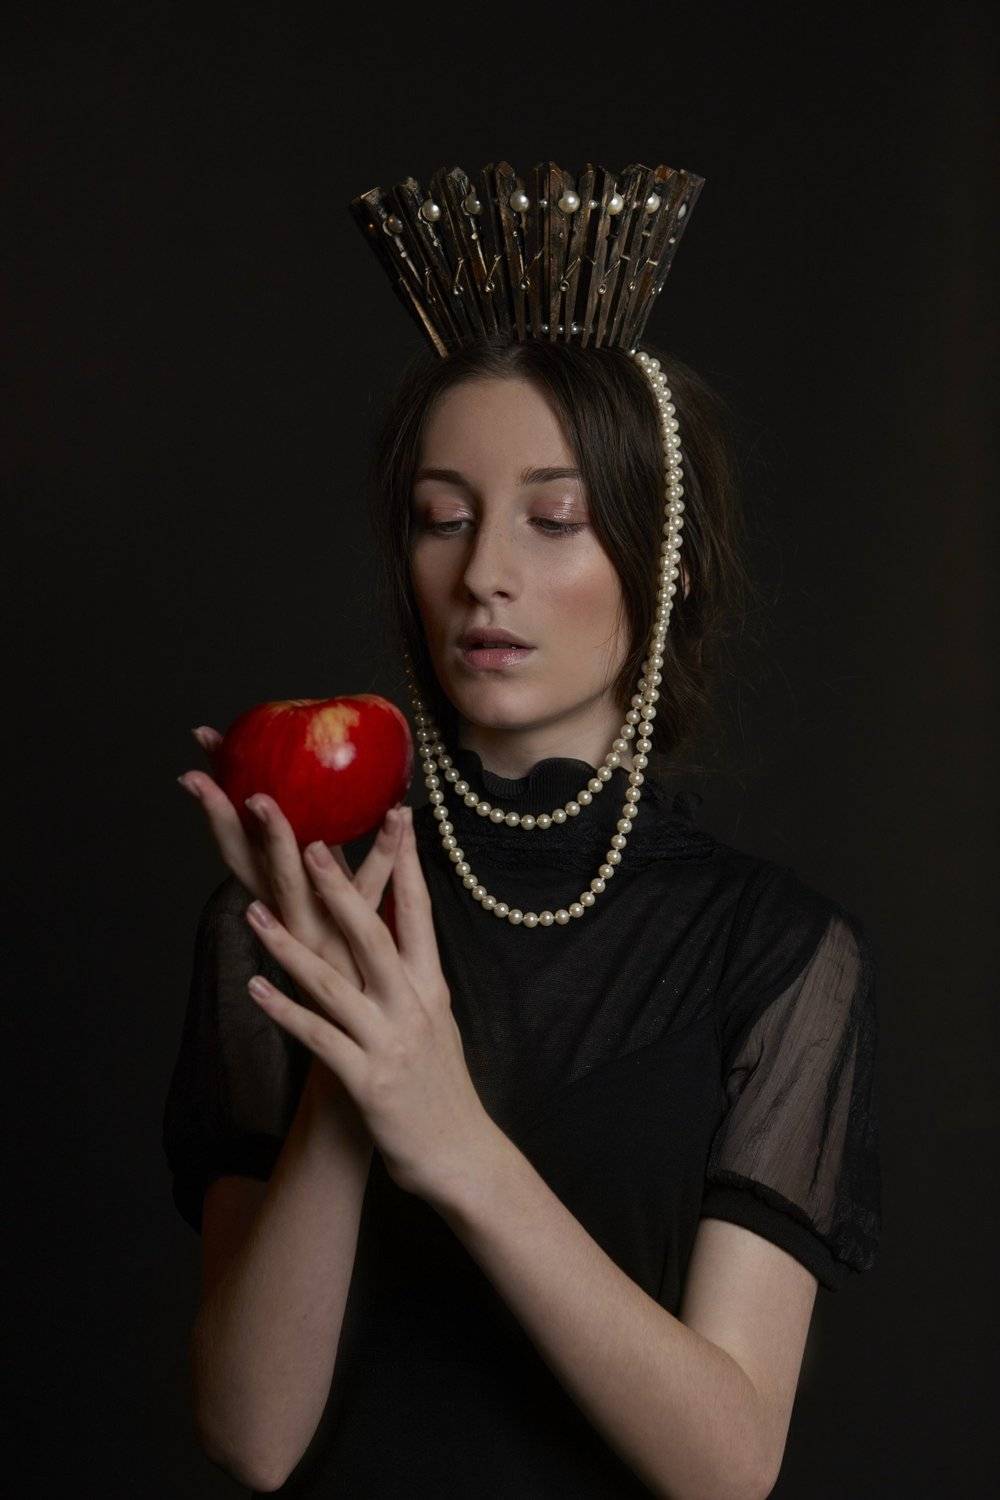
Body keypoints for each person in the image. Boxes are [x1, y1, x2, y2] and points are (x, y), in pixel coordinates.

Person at [163, 163, 881, 1497]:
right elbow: (250, 1436)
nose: (484, 571)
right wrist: (349, 1049)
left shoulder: (776, 953)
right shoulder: (290, 913)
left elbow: (727, 1465)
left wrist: (454, 1141)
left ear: (664, 562)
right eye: (443, 519)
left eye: (554, 520)